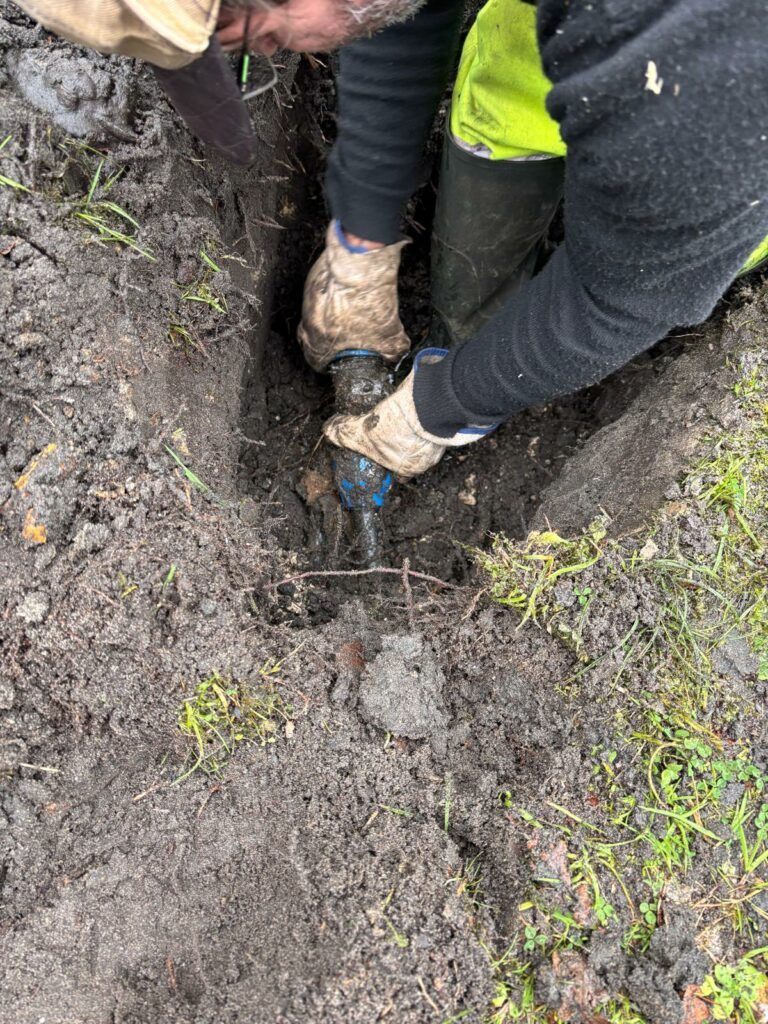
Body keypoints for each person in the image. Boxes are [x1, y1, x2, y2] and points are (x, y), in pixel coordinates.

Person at [13, 0, 768, 482]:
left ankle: (471, 349)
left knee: (657, 247)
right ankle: (467, 322)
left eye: (256, 29)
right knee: (507, 96)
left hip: (730, 130)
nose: (264, 52)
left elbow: (626, 297)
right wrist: (360, 237)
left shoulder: (693, 79)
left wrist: (441, 407)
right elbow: (382, 5)